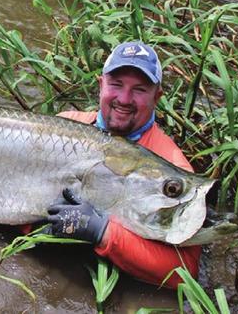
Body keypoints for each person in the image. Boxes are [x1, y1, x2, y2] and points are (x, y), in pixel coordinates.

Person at [45, 41, 201, 289]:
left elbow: (184, 272)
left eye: (139, 89)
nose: (125, 99)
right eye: (116, 85)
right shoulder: (61, 126)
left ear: (157, 96)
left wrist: (103, 233)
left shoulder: (172, 169)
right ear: (101, 85)